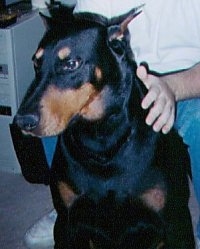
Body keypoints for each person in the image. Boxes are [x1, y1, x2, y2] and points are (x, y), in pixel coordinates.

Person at [24, 0, 200, 248]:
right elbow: (79, 42)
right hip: (123, 81)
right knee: (55, 115)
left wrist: (172, 87)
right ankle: (72, 204)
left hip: (189, 87)